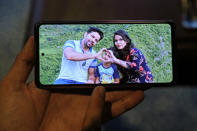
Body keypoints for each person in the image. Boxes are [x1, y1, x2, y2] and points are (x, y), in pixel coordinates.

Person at [0, 36, 144, 130]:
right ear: (86, 34)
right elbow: (69, 55)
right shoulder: (72, 43)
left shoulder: (96, 60)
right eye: (93, 36)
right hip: (60, 85)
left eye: (96, 40)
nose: (94, 40)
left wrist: (92, 83)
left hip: (78, 90)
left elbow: (92, 76)